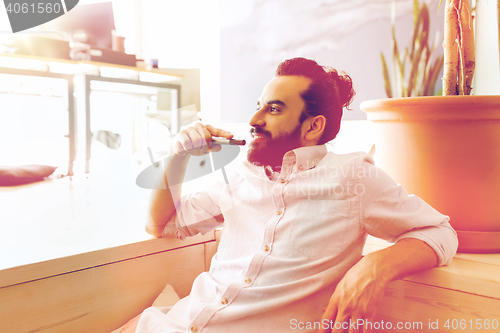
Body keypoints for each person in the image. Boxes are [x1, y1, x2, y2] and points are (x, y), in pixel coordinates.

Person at [138, 57, 458, 333]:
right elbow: (162, 225)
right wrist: (176, 157)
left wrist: (374, 267)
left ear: (312, 127)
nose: (254, 120)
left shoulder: (352, 176)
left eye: (274, 109)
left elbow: (440, 231)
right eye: (258, 106)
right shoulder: (239, 174)